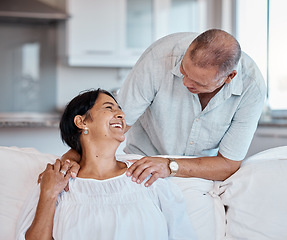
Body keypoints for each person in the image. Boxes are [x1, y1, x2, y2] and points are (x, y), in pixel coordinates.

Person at [62, 29, 266, 187]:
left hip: (201, 175)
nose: (185, 83)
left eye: (198, 83)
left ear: (229, 78)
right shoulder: (158, 59)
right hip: (140, 165)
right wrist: (71, 158)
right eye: (184, 71)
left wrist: (169, 165)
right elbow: (117, 125)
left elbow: (228, 164)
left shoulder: (252, 88)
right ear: (188, 51)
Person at [17, 89, 197, 240]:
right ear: (82, 122)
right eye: (109, 108)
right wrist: (49, 194)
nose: (121, 115)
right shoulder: (55, 183)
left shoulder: (146, 176)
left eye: (119, 110)